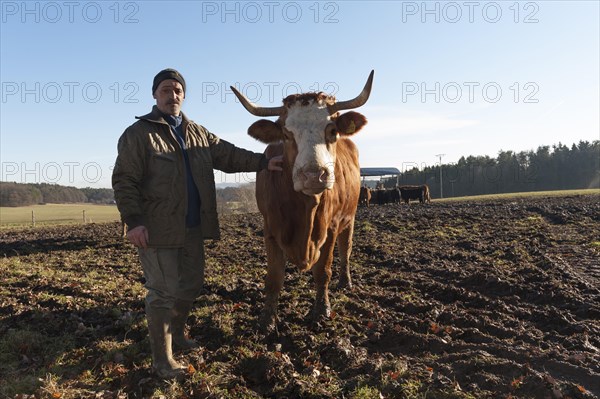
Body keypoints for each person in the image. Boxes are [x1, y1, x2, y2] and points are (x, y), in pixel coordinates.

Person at [112, 68, 282, 379]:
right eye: (165, 90)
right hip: (156, 230)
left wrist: (262, 162)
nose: (172, 95)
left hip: (192, 228)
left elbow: (229, 156)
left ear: (184, 95)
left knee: (189, 285)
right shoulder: (138, 135)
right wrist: (134, 222)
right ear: (154, 95)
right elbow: (124, 181)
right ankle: (162, 360)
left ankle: (176, 335)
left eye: (177, 90)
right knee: (162, 292)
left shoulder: (198, 133)